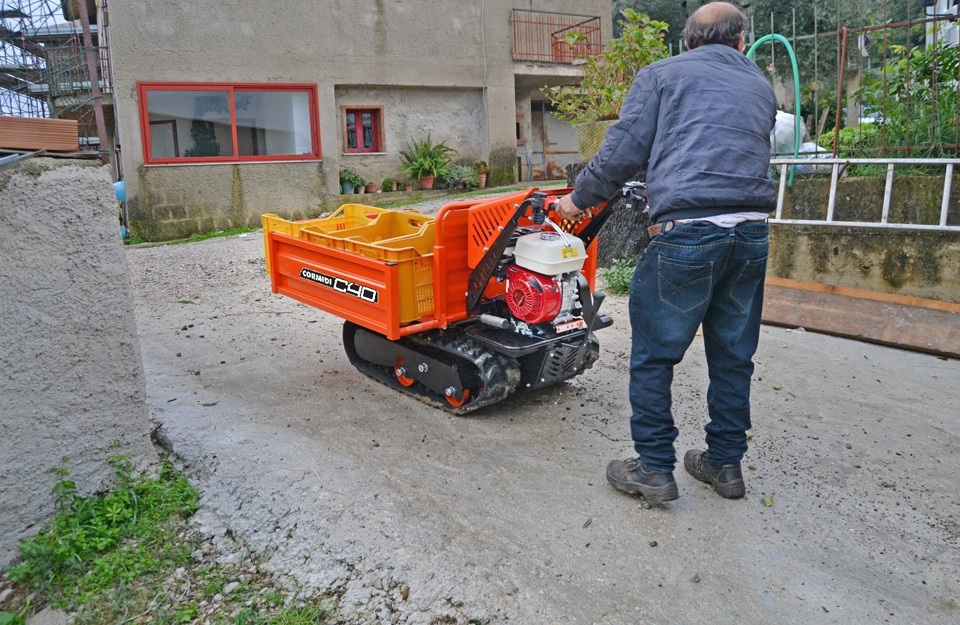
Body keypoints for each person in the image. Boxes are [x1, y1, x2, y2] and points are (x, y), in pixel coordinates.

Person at [556, 1, 777, 503]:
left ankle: (654, 469)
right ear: (741, 40)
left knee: (654, 356)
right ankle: (725, 465)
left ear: (688, 42)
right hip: (751, 233)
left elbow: (623, 150)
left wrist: (577, 200)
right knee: (733, 353)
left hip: (688, 232)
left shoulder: (662, 75)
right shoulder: (760, 86)